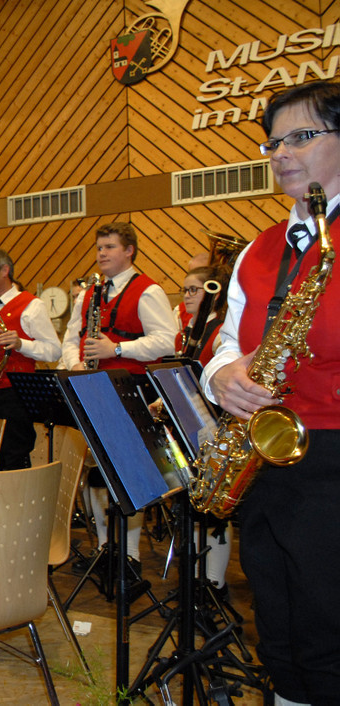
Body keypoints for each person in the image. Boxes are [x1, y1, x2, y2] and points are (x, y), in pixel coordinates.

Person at [200, 80, 340, 704]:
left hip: (332, 456)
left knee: (329, 630)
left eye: (301, 137)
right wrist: (222, 375)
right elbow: (227, 339)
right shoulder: (259, 248)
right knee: (277, 625)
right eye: (273, 143)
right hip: (264, 454)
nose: (282, 153)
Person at [61, 222, 176, 579]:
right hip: (92, 390)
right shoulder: (88, 294)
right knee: (99, 475)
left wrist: (118, 349)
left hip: (130, 391)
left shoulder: (148, 291)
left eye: (110, 247)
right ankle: (103, 549)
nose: (102, 254)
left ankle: (129, 556)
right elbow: (70, 338)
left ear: (129, 251)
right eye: (99, 248)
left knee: (128, 477)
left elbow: (167, 341)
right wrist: (75, 365)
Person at [0, 248, 61, 470]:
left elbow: (54, 351)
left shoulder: (32, 305)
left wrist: (22, 344)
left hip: (15, 395)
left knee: (15, 457)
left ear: (4, 270)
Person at [176, 265, 228, 367]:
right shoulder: (181, 335)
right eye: (185, 290)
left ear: (214, 295)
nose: (186, 296)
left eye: (193, 289)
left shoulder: (221, 334)